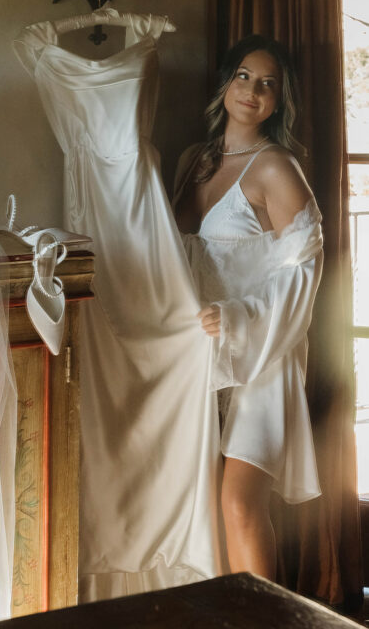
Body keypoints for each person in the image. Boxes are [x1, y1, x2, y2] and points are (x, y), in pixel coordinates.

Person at [173, 34, 324, 580]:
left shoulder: (277, 167)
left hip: (263, 356)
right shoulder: (194, 160)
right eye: (243, 76)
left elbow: (306, 270)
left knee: (240, 505)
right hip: (202, 357)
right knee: (200, 508)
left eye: (268, 84)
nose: (252, 91)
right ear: (225, 83)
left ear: (280, 100)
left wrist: (240, 317)